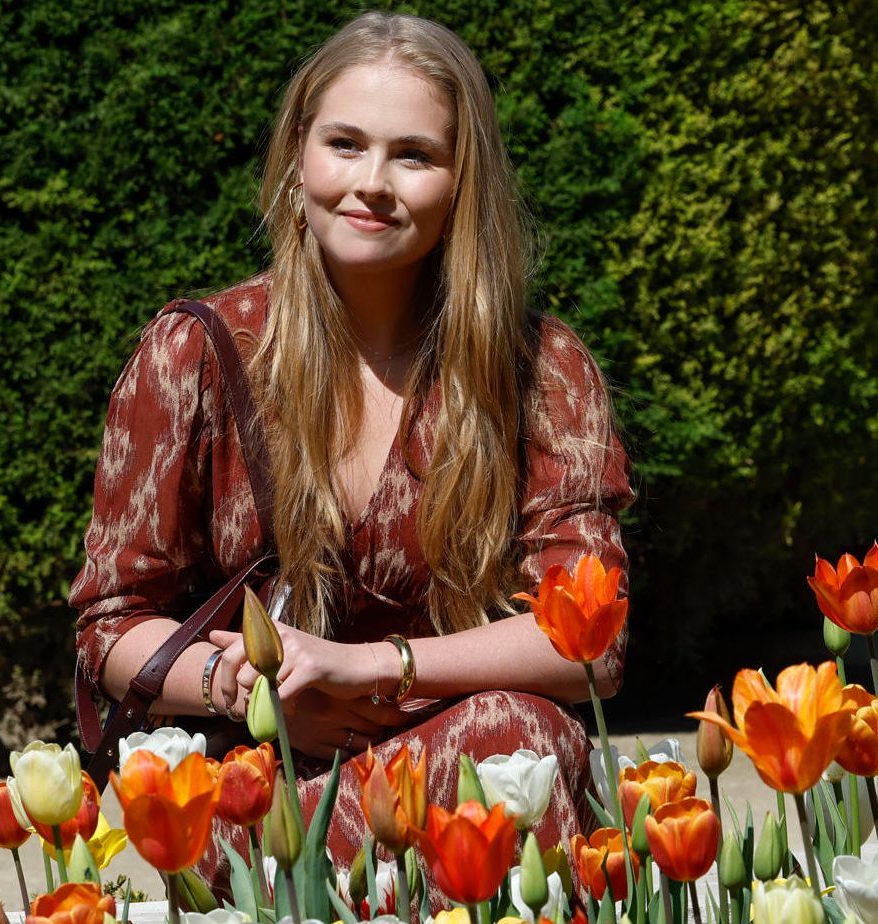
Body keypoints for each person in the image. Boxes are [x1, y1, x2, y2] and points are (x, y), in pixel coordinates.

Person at [70, 10, 632, 888]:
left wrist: (375, 666)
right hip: (273, 787)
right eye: (344, 143)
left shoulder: (536, 370)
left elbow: (589, 643)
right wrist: (250, 687)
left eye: (413, 154)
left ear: (461, 182)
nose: (371, 182)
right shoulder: (198, 355)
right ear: (298, 155)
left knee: (514, 736)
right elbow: (108, 630)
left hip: (478, 761)